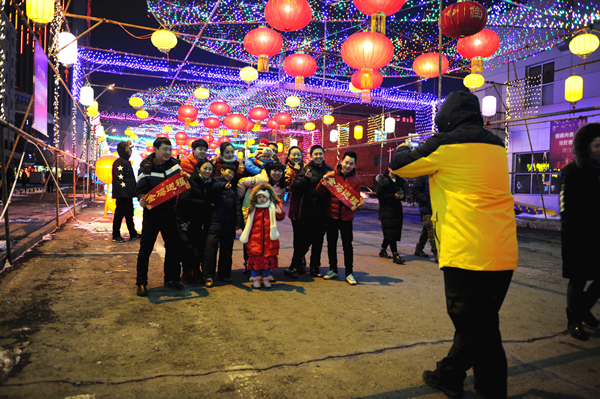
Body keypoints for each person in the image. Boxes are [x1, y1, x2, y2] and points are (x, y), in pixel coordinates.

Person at [389, 91, 518, 399]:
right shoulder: (497, 145)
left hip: (467, 252)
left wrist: (407, 145)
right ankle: (449, 374)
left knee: (482, 334)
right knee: (477, 325)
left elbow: (400, 165)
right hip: (502, 250)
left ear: (446, 116)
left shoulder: (444, 144)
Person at [560, 122, 600, 341]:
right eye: (596, 145)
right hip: (577, 235)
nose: (599, 150)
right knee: (578, 279)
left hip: (598, 236)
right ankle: (574, 320)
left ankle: (582, 309)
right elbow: (565, 206)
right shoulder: (572, 171)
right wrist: (573, 229)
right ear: (586, 147)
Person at [135, 137, 185, 297]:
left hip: (170, 213)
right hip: (152, 214)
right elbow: (141, 188)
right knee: (145, 249)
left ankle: (172, 279)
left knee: (173, 248)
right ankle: (141, 282)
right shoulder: (146, 166)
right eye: (164, 149)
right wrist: (142, 198)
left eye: (169, 149)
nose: (168, 153)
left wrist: (185, 179)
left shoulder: (174, 165)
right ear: (155, 149)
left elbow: (179, 183)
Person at [286, 145, 333, 278]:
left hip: (323, 211)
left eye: (320, 154)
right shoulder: (306, 169)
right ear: (311, 156)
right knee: (302, 240)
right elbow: (296, 188)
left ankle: (314, 267)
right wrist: (306, 178)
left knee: (318, 241)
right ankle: (294, 265)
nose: (318, 156)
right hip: (307, 210)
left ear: (323, 155)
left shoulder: (329, 171)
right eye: (315, 154)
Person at [316, 150, 361, 285]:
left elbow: (355, 200)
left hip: (347, 218)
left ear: (354, 165)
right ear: (341, 161)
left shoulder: (357, 180)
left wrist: (356, 203)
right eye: (346, 162)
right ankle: (333, 269)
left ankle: (349, 273)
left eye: (351, 164)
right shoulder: (331, 176)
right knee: (331, 244)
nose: (348, 165)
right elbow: (319, 192)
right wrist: (322, 182)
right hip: (332, 216)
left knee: (348, 246)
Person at [203, 163, 243, 287]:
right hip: (214, 223)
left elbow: (237, 205)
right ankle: (208, 276)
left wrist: (238, 222)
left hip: (228, 224)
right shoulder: (214, 182)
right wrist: (223, 185)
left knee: (226, 251)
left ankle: (224, 274)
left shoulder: (232, 188)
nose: (230, 175)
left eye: (232, 173)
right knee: (210, 251)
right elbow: (212, 189)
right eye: (228, 172)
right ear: (221, 171)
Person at [239, 184, 286, 289]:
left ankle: (265, 279)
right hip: (255, 239)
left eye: (263, 197)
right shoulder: (253, 209)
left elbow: (281, 216)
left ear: (268, 197)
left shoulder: (272, 207)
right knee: (256, 260)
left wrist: (279, 210)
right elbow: (249, 223)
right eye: (259, 197)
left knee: (267, 259)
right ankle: (255, 279)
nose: (261, 199)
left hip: (269, 239)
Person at [177, 159, 214, 285]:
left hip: (201, 220)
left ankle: (196, 270)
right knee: (187, 247)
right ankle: (186, 271)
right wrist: (206, 204)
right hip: (187, 219)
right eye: (205, 168)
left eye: (210, 169)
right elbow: (184, 200)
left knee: (199, 246)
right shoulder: (191, 181)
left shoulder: (209, 184)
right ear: (198, 169)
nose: (207, 171)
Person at [375, 168, 406, 264]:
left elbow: (405, 194)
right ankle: (395, 254)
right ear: (389, 168)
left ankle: (383, 250)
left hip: (397, 209)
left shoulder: (400, 180)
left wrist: (402, 196)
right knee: (391, 232)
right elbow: (379, 195)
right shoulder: (383, 180)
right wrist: (394, 196)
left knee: (392, 231)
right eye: (394, 168)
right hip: (386, 210)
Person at [112, 140, 140, 243]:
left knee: (129, 214)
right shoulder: (119, 162)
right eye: (129, 149)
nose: (131, 151)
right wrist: (124, 193)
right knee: (119, 214)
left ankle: (133, 233)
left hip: (127, 194)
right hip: (123, 195)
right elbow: (119, 180)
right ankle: (115, 235)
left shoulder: (125, 162)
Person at [284, 146, 305, 277]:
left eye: (298, 154)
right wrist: (297, 173)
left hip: (307, 206)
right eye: (294, 155)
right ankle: (299, 262)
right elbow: (290, 187)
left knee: (305, 236)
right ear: (289, 156)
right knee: (297, 235)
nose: (296, 157)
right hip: (296, 207)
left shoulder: (307, 168)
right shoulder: (286, 170)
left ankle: (301, 260)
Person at [412, 174, 438, 261]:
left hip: (436, 207)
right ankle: (437, 252)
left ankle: (419, 249)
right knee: (431, 229)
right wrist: (426, 201)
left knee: (426, 229)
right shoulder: (422, 176)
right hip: (426, 207)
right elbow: (415, 190)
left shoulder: (437, 175)